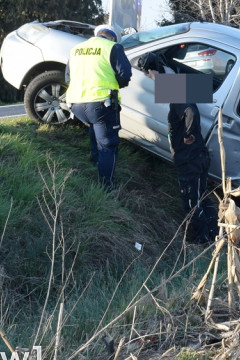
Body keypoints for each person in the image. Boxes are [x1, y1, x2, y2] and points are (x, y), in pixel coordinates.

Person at [143, 58, 218, 244]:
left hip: (189, 159)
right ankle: (214, 233)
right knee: (202, 197)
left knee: (192, 203)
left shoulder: (179, 97)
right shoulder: (187, 90)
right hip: (198, 157)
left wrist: (188, 134)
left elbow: (189, 112)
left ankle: (203, 240)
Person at [66, 24, 132, 189]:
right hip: (101, 102)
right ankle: (106, 187)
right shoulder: (112, 47)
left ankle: (96, 162)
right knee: (108, 144)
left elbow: (67, 76)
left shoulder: (76, 49)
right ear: (112, 38)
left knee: (95, 127)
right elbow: (125, 75)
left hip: (76, 103)